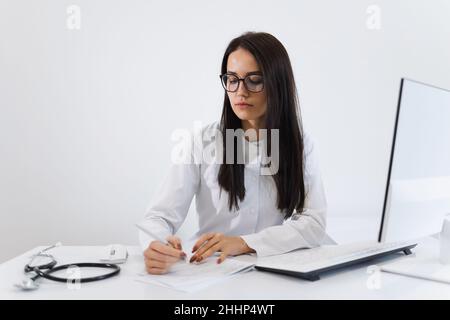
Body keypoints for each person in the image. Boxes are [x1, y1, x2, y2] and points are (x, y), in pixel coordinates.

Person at [137, 31, 327, 275]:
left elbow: (313, 223)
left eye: (254, 80)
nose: (240, 91)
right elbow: (158, 217)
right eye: (232, 79)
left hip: (272, 272)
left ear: (277, 83)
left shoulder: (301, 145)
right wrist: (156, 244)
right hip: (210, 270)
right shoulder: (202, 142)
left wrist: (244, 243)